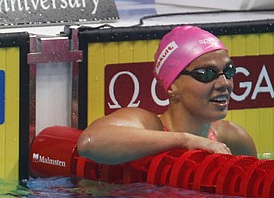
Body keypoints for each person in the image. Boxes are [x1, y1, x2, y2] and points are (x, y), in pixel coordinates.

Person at [77, 25, 257, 165]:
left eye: (229, 71)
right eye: (206, 74)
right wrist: (185, 140)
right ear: (172, 87)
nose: (224, 83)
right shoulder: (147, 124)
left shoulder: (233, 139)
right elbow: (90, 142)